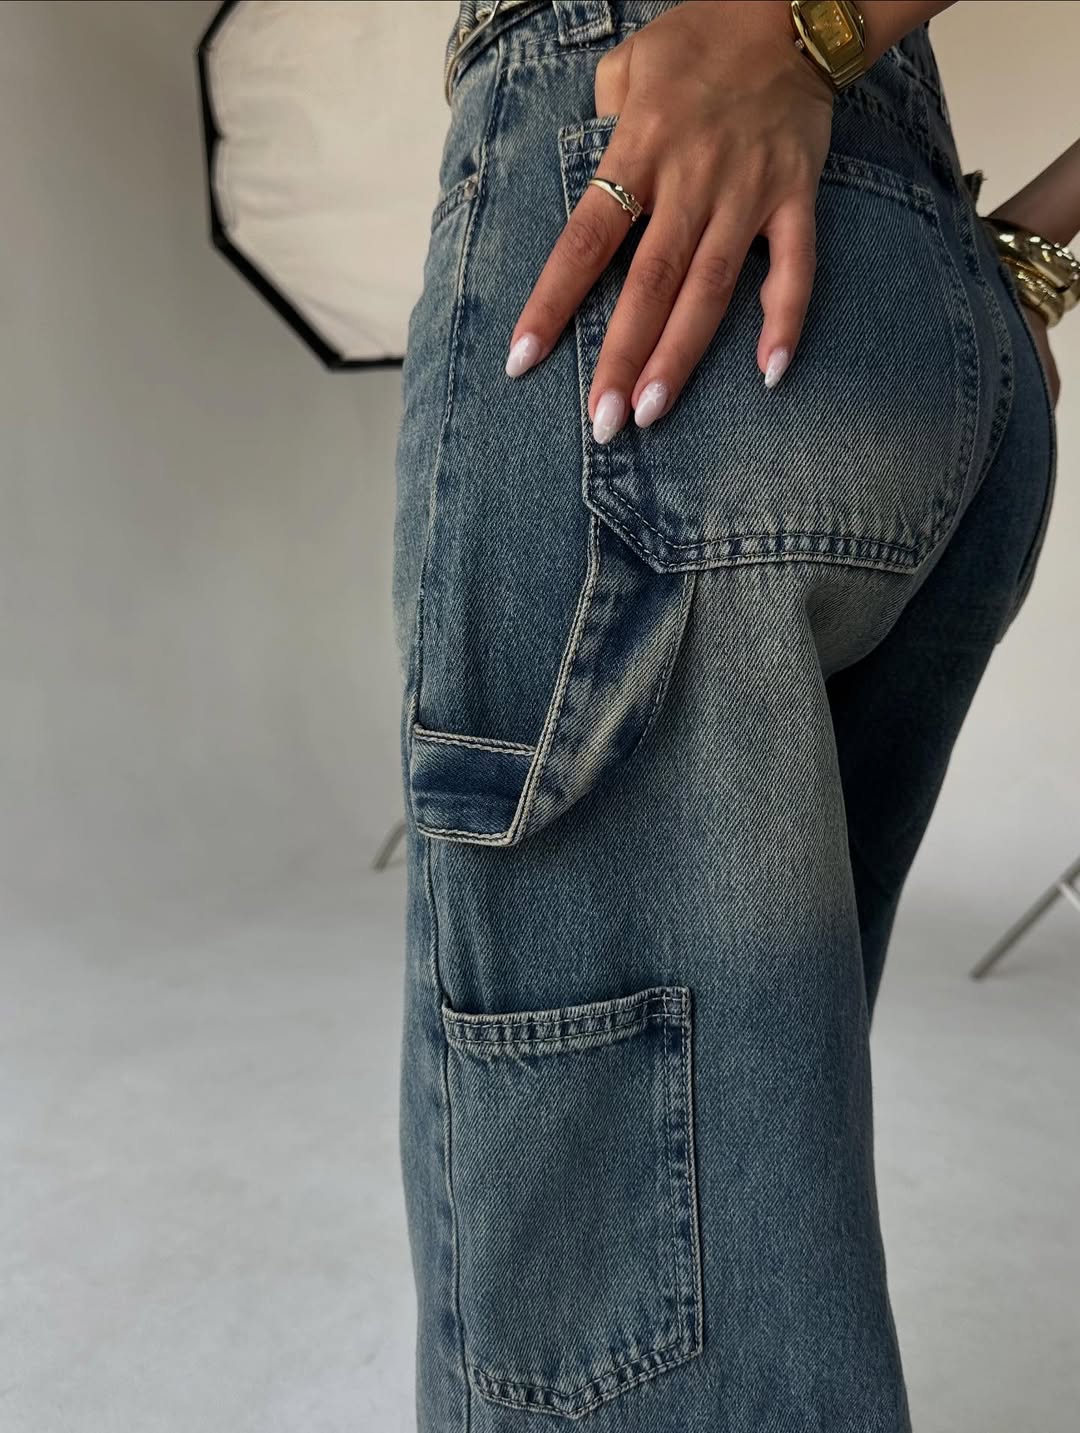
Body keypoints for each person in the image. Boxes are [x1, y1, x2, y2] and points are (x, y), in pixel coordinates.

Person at [390, 3, 1078, 1428]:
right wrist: (1031, 256)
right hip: (913, 301)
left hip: (663, 230)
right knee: (738, 1174)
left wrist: (801, 32)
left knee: (628, 1277)